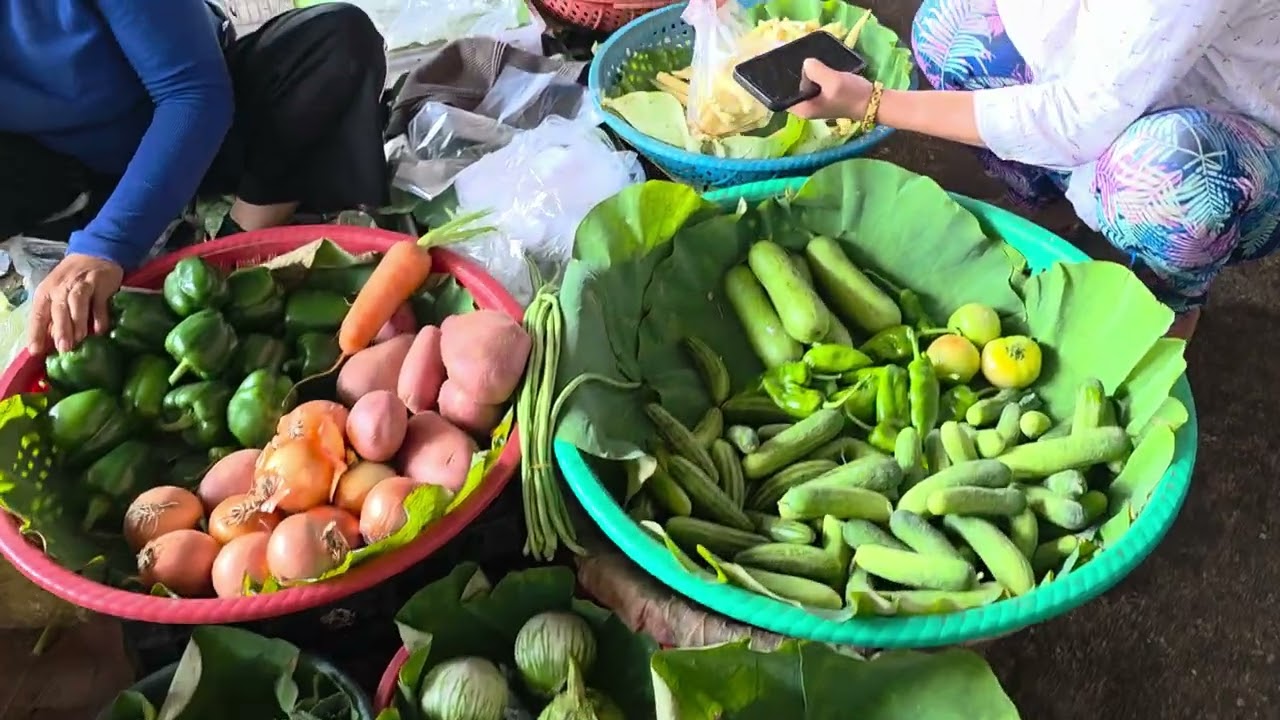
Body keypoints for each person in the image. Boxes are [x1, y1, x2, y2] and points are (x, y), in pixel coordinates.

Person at [791, 0, 1280, 340]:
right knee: (951, 29)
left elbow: (1077, 120)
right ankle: (1051, 214)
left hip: (1237, 137)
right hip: (1116, 82)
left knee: (1169, 174)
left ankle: (1170, 305)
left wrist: (874, 103)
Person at [1, 1, 389, 356]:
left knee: (340, 40)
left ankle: (236, 244)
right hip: (83, 177)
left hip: (212, 134)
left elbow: (192, 93)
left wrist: (108, 244)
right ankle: (122, 244)